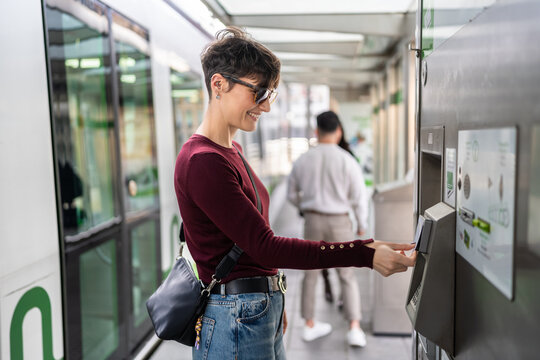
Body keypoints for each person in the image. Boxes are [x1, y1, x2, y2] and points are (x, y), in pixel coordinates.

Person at [174, 27, 416, 360]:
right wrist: (364, 253)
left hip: (251, 311)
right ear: (219, 84)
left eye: (269, 94)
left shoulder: (231, 150)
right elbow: (266, 246)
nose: (266, 106)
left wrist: (271, 295)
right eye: (258, 92)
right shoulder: (204, 162)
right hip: (235, 317)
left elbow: (250, 246)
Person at [287, 111, 370, 346]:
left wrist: (304, 207)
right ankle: (354, 327)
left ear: (317, 132)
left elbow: (292, 194)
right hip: (340, 222)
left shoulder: (304, 159)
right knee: (346, 274)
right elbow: (359, 196)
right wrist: (362, 223)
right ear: (339, 132)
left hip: (312, 221)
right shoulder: (347, 160)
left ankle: (309, 324)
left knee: (310, 274)